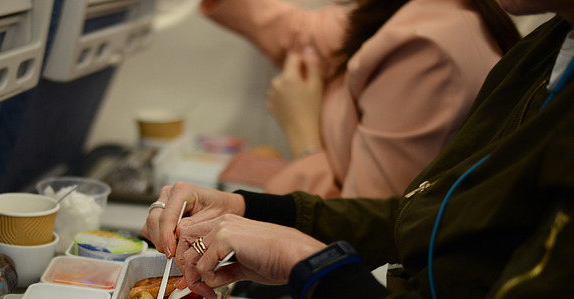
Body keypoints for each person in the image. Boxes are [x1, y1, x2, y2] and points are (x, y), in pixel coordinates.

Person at [143, 2, 574, 299]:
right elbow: (419, 216)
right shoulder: (551, 44)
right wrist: (250, 209)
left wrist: (305, 259)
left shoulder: (426, 42)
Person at [207, 0, 520, 198]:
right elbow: (302, 33)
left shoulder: (423, 50)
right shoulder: (391, 10)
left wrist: (303, 135)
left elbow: (362, 227)